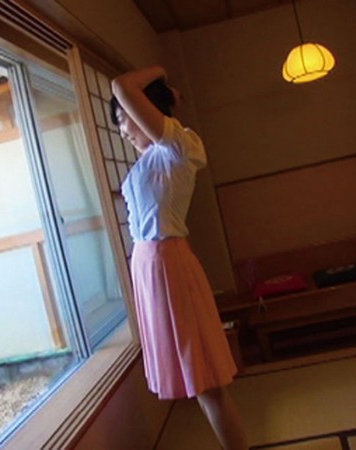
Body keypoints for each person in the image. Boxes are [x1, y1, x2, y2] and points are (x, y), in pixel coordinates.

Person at [111, 66, 249, 450]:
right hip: (150, 267)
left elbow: (121, 85)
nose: (122, 128)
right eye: (118, 120)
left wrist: (160, 72)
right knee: (200, 383)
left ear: (148, 109)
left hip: (166, 264)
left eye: (125, 116)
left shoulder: (178, 147)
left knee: (206, 383)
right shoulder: (148, 161)